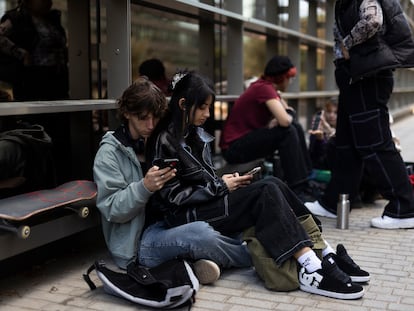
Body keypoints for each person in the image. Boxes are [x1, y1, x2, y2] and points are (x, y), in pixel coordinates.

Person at [146, 70, 369, 300]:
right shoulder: (165, 141)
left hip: (207, 203)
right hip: (185, 215)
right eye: (203, 107)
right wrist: (220, 186)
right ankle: (312, 268)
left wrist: (225, 182)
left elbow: (203, 179)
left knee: (272, 182)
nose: (208, 114)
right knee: (265, 190)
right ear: (183, 104)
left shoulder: (193, 133)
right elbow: (172, 197)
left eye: (209, 107)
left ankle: (324, 252)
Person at [93, 77, 252, 285]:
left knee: (227, 217)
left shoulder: (160, 139)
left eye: (155, 118)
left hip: (173, 222)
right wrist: (144, 187)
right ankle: (255, 258)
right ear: (126, 113)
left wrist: (218, 183)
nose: (150, 125)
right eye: (142, 118)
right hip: (141, 242)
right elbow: (112, 208)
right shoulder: (109, 153)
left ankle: (202, 261)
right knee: (201, 235)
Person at [305, 0, 414, 229]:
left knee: (375, 143)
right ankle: (335, 201)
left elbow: (373, 19)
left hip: (368, 77)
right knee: (347, 142)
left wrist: (347, 44)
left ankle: (404, 207)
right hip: (356, 76)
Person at [219, 56, 315, 201]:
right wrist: (285, 115)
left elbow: (288, 117)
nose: (290, 82)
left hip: (244, 142)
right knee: (288, 132)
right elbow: (285, 120)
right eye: (290, 78)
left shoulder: (266, 87)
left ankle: (306, 180)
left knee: (294, 127)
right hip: (233, 148)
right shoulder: (263, 88)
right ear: (283, 77)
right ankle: (298, 188)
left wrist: (285, 113)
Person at [0, 0, 69, 101]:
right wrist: (20, 53)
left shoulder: (52, 19)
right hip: (33, 80)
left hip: (58, 78)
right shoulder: (18, 18)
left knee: (59, 112)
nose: (48, 1)